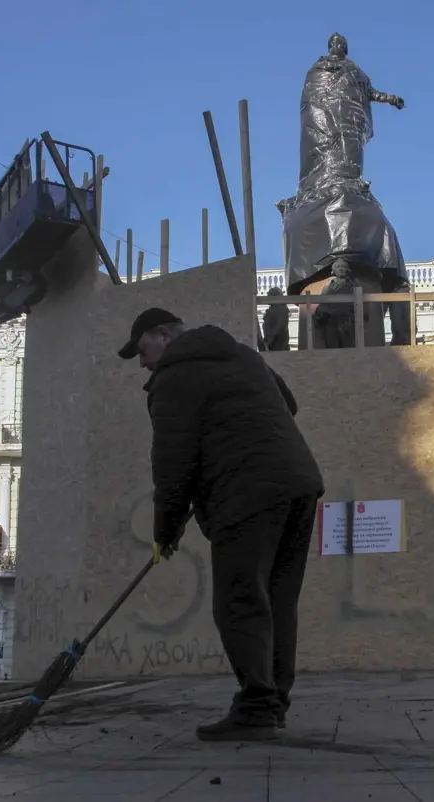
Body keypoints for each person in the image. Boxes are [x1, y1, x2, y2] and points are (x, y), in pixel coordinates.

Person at [118, 307, 324, 741]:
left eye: (142, 350)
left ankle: (256, 707)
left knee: (238, 600)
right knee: (277, 600)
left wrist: (165, 530)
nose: (142, 363)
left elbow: (172, 463)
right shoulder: (245, 355)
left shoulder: (172, 379)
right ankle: (272, 705)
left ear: (162, 335)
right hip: (298, 485)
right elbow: (290, 403)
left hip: (245, 493)